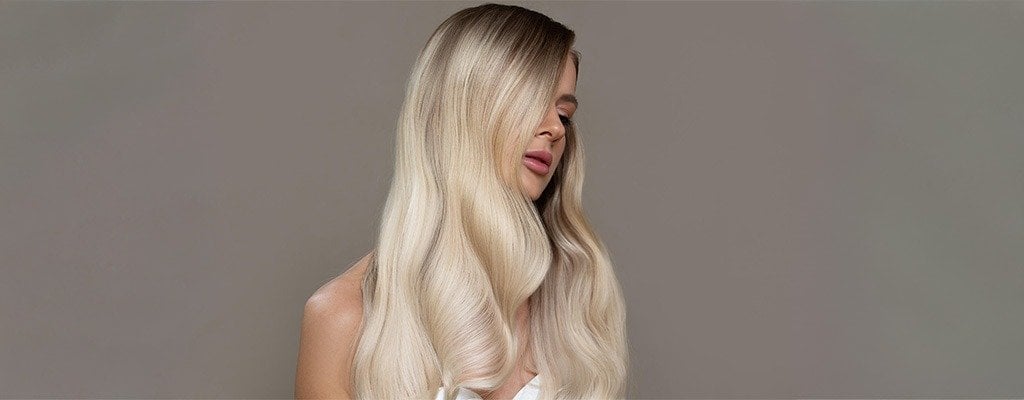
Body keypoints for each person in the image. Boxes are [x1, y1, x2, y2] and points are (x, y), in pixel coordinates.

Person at [295, 3, 628, 399]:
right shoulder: (345, 316)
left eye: (564, 115)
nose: (555, 128)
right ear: (461, 108)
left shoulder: (576, 300)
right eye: (530, 99)